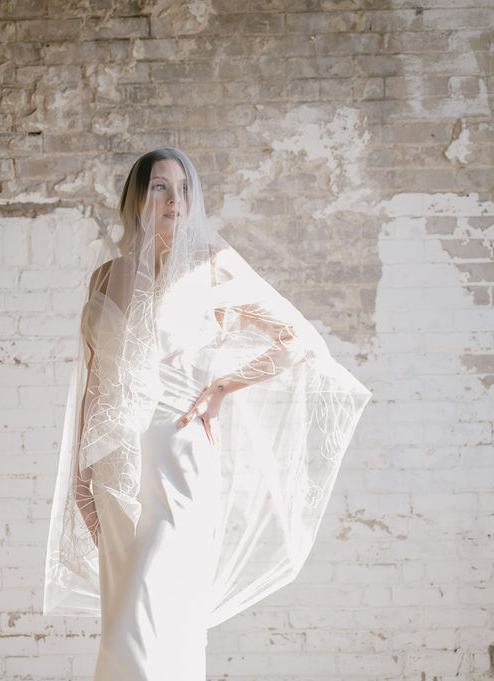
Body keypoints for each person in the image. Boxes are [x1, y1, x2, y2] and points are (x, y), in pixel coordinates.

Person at [43, 148, 372, 680]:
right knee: (122, 629)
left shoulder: (211, 266)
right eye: (160, 187)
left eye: (184, 189)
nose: (175, 200)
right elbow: (96, 381)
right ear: (136, 197)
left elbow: (295, 339)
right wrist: (83, 475)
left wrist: (221, 387)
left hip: (176, 461)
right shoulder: (105, 277)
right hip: (114, 470)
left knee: (143, 632)